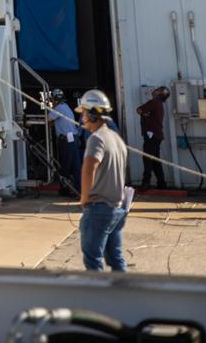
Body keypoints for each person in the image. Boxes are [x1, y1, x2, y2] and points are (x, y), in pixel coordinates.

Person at [77, 88, 128, 273]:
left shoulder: (96, 139)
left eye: (83, 113)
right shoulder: (116, 139)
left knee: (93, 261)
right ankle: (125, 295)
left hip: (99, 208)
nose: (82, 118)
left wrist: (84, 198)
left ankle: (98, 300)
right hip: (116, 208)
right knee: (116, 258)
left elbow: (89, 167)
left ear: (92, 114)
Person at [49, 88, 81, 195]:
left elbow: (48, 119)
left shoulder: (58, 108)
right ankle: (77, 188)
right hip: (73, 139)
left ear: (55, 99)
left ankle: (67, 189)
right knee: (75, 166)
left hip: (67, 140)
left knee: (66, 166)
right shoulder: (66, 107)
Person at [137, 85, 170, 190]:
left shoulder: (154, 102)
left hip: (151, 136)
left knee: (147, 159)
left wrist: (143, 112)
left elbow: (139, 110)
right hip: (157, 136)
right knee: (155, 160)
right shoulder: (159, 104)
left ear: (160, 94)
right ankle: (161, 183)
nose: (155, 91)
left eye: (158, 90)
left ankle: (146, 183)